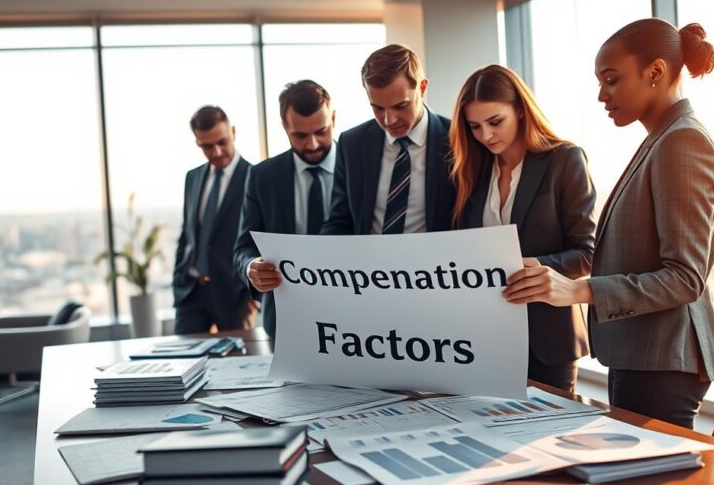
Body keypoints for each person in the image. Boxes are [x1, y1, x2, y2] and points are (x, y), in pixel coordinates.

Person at [504, 18, 714, 428]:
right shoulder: (662, 139)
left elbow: (684, 277)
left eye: (611, 80)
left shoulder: (682, 141)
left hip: (662, 358)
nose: (601, 95)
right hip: (646, 355)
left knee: (656, 484)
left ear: (656, 73)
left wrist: (576, 288)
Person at [450, 64, 596, 393]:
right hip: (484, 339)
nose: (485, 135)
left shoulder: (564, 160)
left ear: (519, 108)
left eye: (494, 122)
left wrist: (536, 269)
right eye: (474, 126)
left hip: (547, 338)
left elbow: (588, 252)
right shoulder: (471, 171)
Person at [233, 80, 338, 337]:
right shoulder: (263, 176)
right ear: (284, 127)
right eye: (300, 135)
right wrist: (251, 268)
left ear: (333, 118)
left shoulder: (361, 167)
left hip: (353, 319)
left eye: (321, 131)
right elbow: (243, 247)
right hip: (285, 323)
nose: (312, 144)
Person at [320, 44, 455, 236]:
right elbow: (339, 222)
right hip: (367, 263)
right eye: (378, 108)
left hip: (438, 263)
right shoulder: (352, 144)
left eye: (401, 106)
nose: (388, 120)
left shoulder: (456, 139)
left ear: (422, 88)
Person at [172, 105, 254, 334]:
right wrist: (178, 280)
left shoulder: (255, 177)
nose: (217, 151)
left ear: (233, 133)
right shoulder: (193, 177)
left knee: (240, 365)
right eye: (208, 146)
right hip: (191, 293)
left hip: (234, 296)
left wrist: (252, 299)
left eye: (222, 142)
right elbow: (187, 233)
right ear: (197, 142)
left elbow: (260, 237)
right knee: (183, 362)